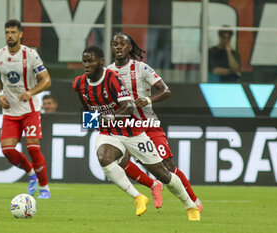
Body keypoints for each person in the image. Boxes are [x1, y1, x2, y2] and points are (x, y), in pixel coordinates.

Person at [73, 45, 200, 220]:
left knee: (163, 173)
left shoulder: (112, 78)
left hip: (132, 131)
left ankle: (190, 205)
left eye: (90, 61)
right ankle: (138, 196)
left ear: (101, 62)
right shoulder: (79, 83)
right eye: (84, 62)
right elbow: (87, 110)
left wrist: (109, 117)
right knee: (104, 158)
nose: (86, 65)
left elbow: (127, 106)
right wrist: (94, 121)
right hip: (109, 134)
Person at [107, 32, 202, 212]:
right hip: (124, 127)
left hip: (147, 124)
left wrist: (149, 100)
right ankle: (153, 185)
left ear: (130, 48)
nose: (118, 47)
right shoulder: (109, 72)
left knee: (167, 166)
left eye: (122, 44)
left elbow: (166, 91)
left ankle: (195, 202)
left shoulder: (141, 68)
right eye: (114, 44)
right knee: (119, 159)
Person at [0, 19, 52, 199]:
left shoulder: (30, 55)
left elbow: (46, 79)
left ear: (21, 34)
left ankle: (45, 188)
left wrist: (31, 92)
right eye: (7, 32)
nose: (10, 36)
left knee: (33, 148)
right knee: (7, 150)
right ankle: (31, 173)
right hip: (10, 111)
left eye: (13, 32)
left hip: (29, 109)